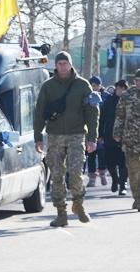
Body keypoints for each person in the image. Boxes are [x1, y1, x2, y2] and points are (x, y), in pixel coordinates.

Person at [34, 51, 98, 227]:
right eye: (59, 63)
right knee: (56, 175)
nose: (62, 67)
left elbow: (92, 112)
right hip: (54, 136)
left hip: (77, 135)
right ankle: (61, 213)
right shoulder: (48, 86)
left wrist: (92, 138)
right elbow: (39, 112)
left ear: (71, 65)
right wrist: (38, 137)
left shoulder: (82, 85)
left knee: (76, 171)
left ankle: (78, 204)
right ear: (56, 65)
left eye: (65, 63)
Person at [113, 70, 140, 210]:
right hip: (130, 139)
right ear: (134, 81)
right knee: (133, 171)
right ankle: (137, 198)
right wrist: (117, 133)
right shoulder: (126, 96)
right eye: (138, 80)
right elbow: (119, 116)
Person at [102, 79, 128, 196]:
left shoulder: (130, 101)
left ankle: (122, 185)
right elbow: (101, 118)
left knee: (124, 163)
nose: (120, 91)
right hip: (110, 136)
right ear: (115, 89)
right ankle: (115, 180)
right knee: (110, 163)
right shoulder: (109, 101)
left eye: (123, 89)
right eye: (119, 88)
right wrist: (99, 134)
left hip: (126, 136)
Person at [87, 75, 107, 187]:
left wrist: (103, 134)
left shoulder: (106, 97)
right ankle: (92, 178)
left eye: (96, 85)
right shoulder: (86, 96)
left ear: (100, 86)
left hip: (101, 131)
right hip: (89, 131)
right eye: (92, 85)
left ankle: (102, 174)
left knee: (102, 153)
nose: (94, 87)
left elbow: (106, 117)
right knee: (91, 155)